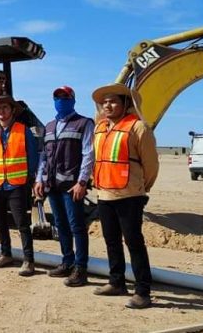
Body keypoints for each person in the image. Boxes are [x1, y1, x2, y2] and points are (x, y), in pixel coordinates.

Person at [91, 83, 159, 309]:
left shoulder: (138, 128)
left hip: (130, 195)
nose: (108, 105)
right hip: (104, 193)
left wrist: (141, 187)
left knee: (134, 242)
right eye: (105, 102)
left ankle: (143, 291)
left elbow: (151, 164)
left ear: (125, 104)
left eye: (113, 101)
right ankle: (116, 281)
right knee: (111, 240)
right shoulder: (99, 128)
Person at [34, 86, 94, 286]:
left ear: (73, 100)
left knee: (77, 226)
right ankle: (67, 261)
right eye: (57, 97)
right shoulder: (49, 126)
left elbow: (88, 154)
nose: (61, 100)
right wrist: (39, 180)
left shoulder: (83, 123)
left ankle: (81, 268)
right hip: (52, 185)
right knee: (60, 225)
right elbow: (43, 156)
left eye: (65, 97)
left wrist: (82, 181)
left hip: (71, 186)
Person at [0, 95, 39, 276]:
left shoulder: (24, 131)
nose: (2, 111)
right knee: (0, 223)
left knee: (22, 224)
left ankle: (29, 261)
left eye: (5, 107)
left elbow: (32, 157)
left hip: (16, 185)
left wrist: (30, 180)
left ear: (12, 110)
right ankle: (5, 254)